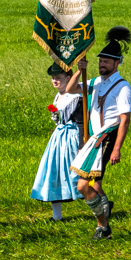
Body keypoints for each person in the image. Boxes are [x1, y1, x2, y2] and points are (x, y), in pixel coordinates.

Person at [69, 26, 131, 240]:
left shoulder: (123, 87)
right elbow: (70, 89)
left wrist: (117, 149)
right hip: (95, 138)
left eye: (106, 61)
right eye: (100, 61)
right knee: (90, 184)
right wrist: (79, 69)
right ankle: (104, 216)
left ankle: (103, 225)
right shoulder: (96, 81)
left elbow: (125, 120)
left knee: (83, 184)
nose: (101, 64)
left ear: (117, 63)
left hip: (108, 137)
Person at [31, 62, 84, 220]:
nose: (55, 80)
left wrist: (81, 145)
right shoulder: (58, 96)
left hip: (72, 138)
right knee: (53, 173)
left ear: (68, 78)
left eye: (58, 77)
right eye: (53, 78)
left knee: (78, 175)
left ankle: (101, 206)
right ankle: (57, 216)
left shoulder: (76, 97)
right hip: (58, 140)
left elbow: (81, 122)